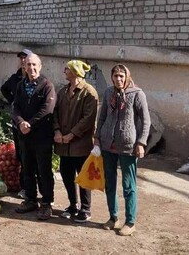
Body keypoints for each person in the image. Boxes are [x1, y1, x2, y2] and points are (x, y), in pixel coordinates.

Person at [95, 64, 151, 236]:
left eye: (121, 76)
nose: (118, 79)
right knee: (110, 183)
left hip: (128, 146)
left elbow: (146, 121)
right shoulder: (108, 93)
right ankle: (113, 217)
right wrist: (97, 137)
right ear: (111, 77)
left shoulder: (137, 94)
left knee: (128, 185)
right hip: (107, 145)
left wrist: (141, 143)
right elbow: (102, 115)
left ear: (127, 76)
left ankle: (130, 221)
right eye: (115, 76)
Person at [53, 60, 99, 223]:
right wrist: (57, 131)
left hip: (81, 144)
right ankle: (73, 205)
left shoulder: (89, 92)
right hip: (63, 144)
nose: (64, 71)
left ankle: (85, 209)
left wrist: (72, 134)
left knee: (83, 176)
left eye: (67, 68)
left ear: (75, 71)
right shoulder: (63, 90)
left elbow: (88, 119)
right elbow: (55, 112)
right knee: (66, 174)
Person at [13, 53, 57, 220]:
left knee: (43, 170)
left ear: (40, 66)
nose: (31, 68)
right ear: (24, 67)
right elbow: (15, 106)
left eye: (34, 65)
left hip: (41, 136)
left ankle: (47, 203)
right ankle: (30, 200)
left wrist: (30, 124)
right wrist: (20, 123)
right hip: (24, 136)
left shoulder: (47, 86)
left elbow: (47, 109)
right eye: (28, 65)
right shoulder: (21, 85)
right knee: (27, 168)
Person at [0, 49, 32, 199]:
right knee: (21, 154)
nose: (23, 61)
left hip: (32, 124)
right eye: (21, 59)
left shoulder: (36, 79)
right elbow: (4, 88)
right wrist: (11, 101)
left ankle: (33, 187)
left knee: (31, 156)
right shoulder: (16, 77)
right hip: (17, 123)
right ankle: (24, 187)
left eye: (25, 58)